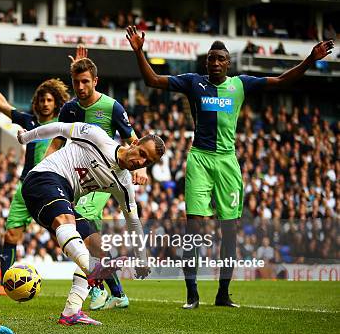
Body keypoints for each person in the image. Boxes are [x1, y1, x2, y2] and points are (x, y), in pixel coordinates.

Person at [125, 24, 334, 309]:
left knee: (230, 231)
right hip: (199, 159)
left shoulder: (240, 84)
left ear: (228, 62)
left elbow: (282, 81)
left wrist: (310, 60)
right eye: (211, 58)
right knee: (194, 230)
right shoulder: (193, 82)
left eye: (220, 58)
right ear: (206, 62)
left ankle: (223, 294)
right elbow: (152, 80)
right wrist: (139, 52)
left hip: (227, 161)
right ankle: (192, 295)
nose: (215, 63)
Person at [18, 121, 165, 325]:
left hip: (63, 196)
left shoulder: (123, 184)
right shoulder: (96, 136)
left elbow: (134, 222)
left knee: (97, 248)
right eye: (141, 153)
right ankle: (92, 269)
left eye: (147, 162)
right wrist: (26, 138)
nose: (140, 162)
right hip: (43, 178)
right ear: (135, 142)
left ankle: (71, 311)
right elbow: (60, 128)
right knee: (67, 221)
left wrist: (142, 258)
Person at [45, 48, 149, 311]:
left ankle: (96, 290)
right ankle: (116, 292)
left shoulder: (111, 107)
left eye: (85, 82)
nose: (80, 87)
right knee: (86, 234)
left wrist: (142, 169)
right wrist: (44, 168)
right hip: (75, 177)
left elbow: (133, 141)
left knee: (79, 222)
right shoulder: (69, 110)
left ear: (95, 82)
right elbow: (57, 141)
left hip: (103, 178)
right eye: (76, 82)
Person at [0, 57, 70, 292]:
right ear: (36, 103)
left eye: (50, 100)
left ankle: (93, 281)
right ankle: (7, 283)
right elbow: (1, 104)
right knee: (11, 234)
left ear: (56, 103)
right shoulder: (30, 121)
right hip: (25, 185)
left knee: (66, 233)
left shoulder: (65, 124)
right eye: (42, 100)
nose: (45, 103)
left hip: (52, 185)